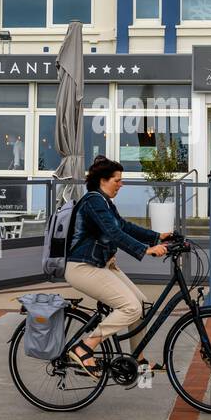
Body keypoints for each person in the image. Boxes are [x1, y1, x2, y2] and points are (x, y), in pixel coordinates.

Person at [63, 155, 171, 377]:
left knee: (140, 305)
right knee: (130, 307)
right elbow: (114, 233)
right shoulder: (93, 201)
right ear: (103, 180)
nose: (121, 185)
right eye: (117, 180)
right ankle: (85, 347)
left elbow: (123, 226)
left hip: (100, 266)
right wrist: (145, 250)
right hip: (83, 267)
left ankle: (137, 361)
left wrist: (157, 237)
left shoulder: (104, 203)